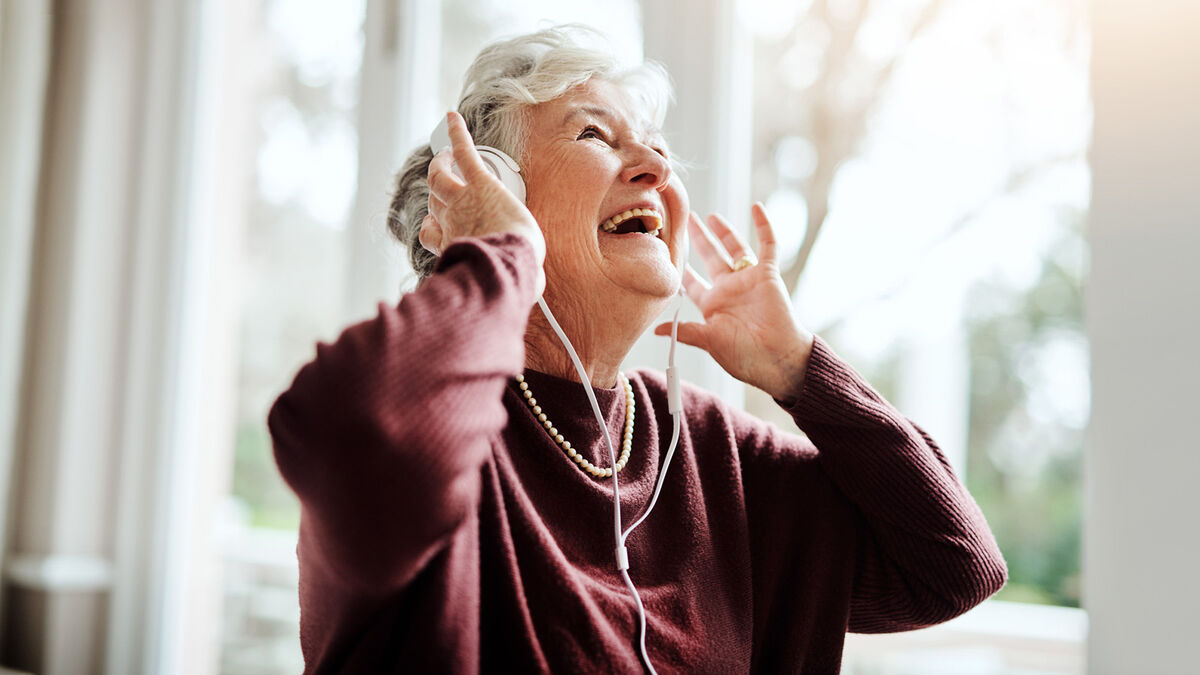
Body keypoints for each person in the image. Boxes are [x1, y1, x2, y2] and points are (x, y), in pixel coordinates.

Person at [268, 26, 1007, 674]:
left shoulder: (708, 446)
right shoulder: (423, 419)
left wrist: (800, 372)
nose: (655, 167)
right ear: (490, 193)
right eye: (596, 135)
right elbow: (343, 432)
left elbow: (953, 563)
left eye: (656, 146)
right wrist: (496, 258)